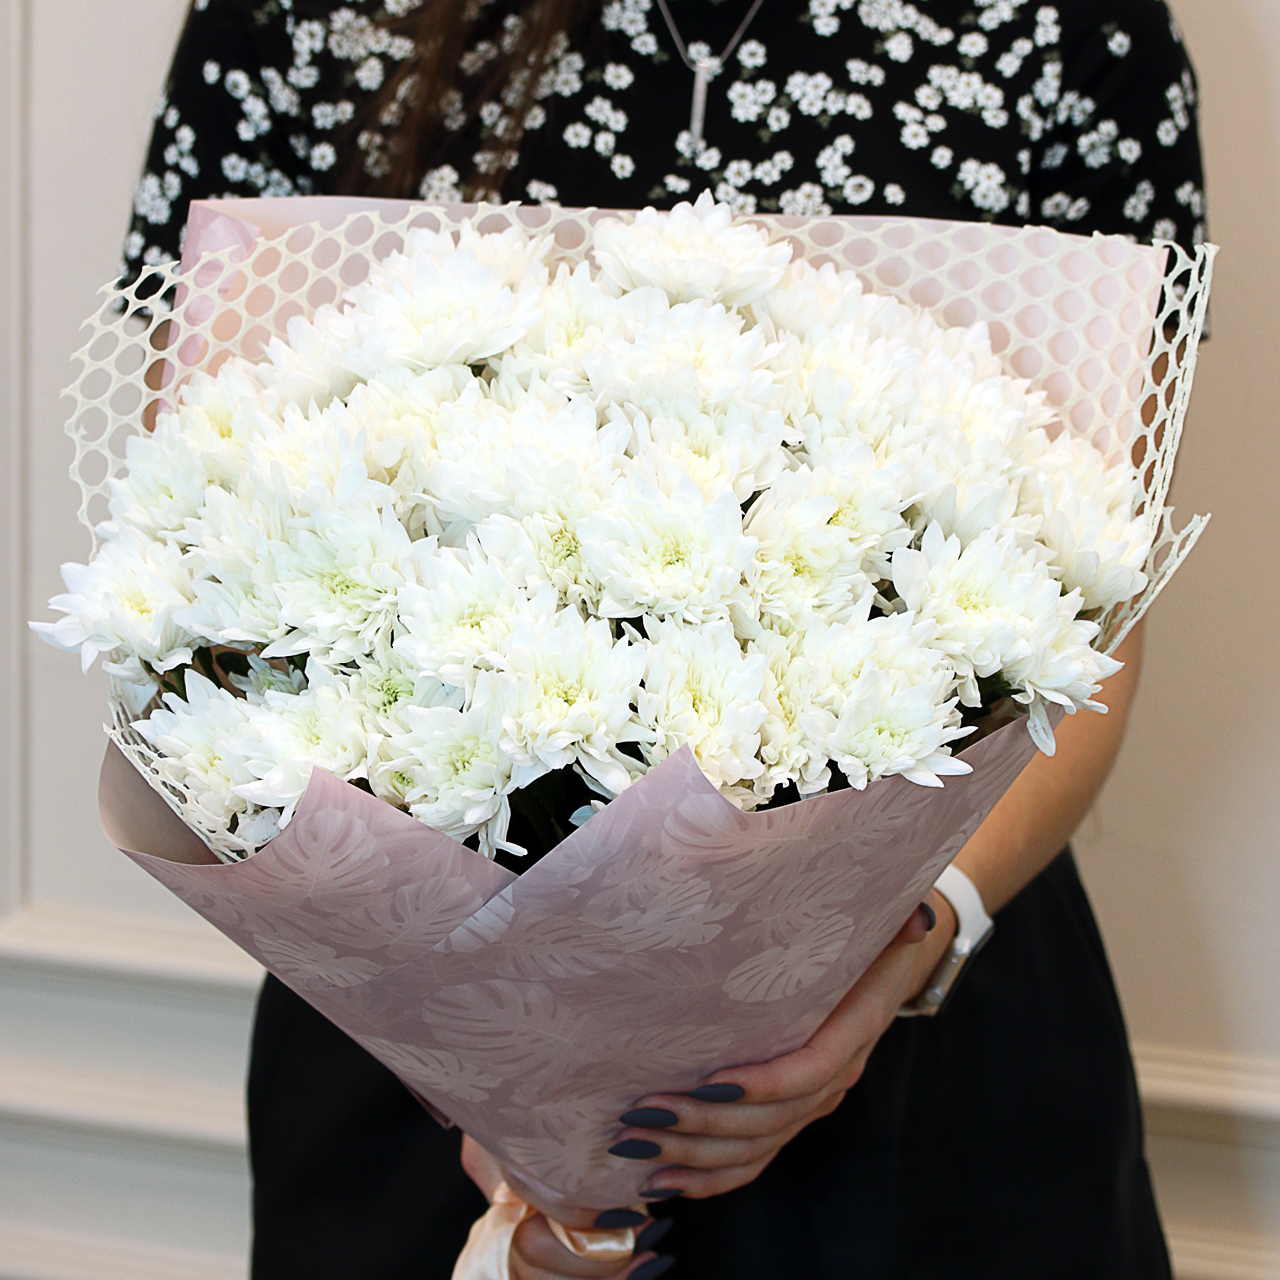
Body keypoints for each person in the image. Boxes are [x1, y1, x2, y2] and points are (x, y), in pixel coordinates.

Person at [123, 2, 1207, 1277]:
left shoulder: (1072, 27)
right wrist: (479, 1047)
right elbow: (188, 561)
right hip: (406, 1039)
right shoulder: (296, 16)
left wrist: (901, 948)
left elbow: (1094, 624)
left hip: (908, 1034)